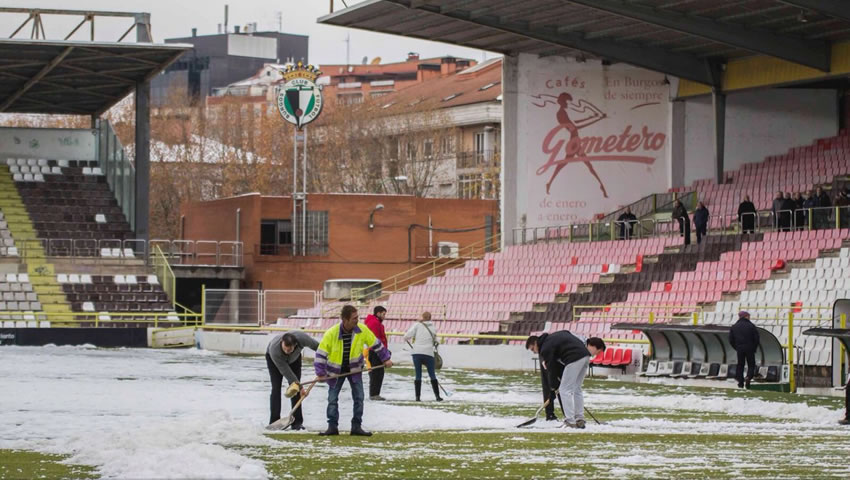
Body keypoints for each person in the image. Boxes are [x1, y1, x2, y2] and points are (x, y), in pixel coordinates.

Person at [314, 305, 393, 436]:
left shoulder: (362, 329)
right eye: (354, 318)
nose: (357, 320)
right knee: (332, 399)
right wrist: (320, 373)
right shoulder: (331, 333)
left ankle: (356, 426)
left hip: (354, 369)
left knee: (359, 398)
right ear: (345, 320)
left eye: (357, 317)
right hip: (335, 371)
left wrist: (386, 359)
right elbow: (321, 354)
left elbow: (376, 344)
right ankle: (332, 427)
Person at [526, 331, 606, 429]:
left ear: (535, 343)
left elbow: (551, 369)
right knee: (577, 388)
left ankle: (570, 421)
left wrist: (552, 388)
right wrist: (554, 387)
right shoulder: (552, 339)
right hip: (585, 356)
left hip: (574, 359)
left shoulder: (545, 347)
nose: (534, 352)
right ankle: (579, 419)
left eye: (533, 349)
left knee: (564, 390)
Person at [266, 331, 319, 430]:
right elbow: (286, 372)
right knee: (276, 388)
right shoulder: (275, 350)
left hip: (294, 359)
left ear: (295, 345)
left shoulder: (303, 339)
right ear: (282, 342)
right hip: (274, 361)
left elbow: (319, 348)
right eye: (285, 349)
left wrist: (325, 361)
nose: (287, 351)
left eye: (290, 350)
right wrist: (300, 386)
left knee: (295, 391)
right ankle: (274, 421)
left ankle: (297, 423)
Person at [403, 311, 443, 402]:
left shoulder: (417, 325)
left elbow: (406, 336)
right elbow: (437, 341)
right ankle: (437, 397)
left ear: (422, 317)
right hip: (429, 353)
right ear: (430, 318)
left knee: (418, 375)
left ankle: (417, 397)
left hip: (417, 353)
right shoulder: (433, 327)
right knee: (432, 375)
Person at [363, 306, 389, 401]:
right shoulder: (374, 323)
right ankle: (374, 394)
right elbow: (375, 340)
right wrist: (383, 352)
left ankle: (375, 393)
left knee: (378, 373)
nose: (384, 316)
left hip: (377, 351)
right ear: (378, 313)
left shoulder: (376, 323)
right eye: (383, 314)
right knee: (376, 373)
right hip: (375, 351)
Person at [728, 311, 760, 389]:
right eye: (748, 316)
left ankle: (740, 382)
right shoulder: (751, 326)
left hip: (740, 348)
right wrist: (754, 347)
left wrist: (736, 347)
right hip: (750, 348)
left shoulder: (734, 326)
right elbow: (756, 338)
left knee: (740, 365)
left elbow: (730, 339)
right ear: (746, 316)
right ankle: (748, 377)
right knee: (751, 364)